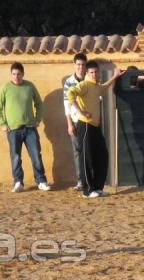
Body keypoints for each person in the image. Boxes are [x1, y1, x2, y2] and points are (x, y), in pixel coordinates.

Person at [66, 60, 124, 198]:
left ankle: (97, 187)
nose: (94, 74)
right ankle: (88, 190)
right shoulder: (84, 85)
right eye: (91, 72)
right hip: (85, 126)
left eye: (96, 72)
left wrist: (115, 76)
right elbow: (70, 94)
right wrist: (81, 111)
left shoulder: (96, 86)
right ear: (87, 73)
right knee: (87, 158)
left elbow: (104, 87)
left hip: (95, 127)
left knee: (102, 156)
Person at [0, 62, 51, 192]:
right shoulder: (5, 88)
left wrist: (37, 119)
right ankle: (18, 182)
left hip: (30, 128)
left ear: (23, 74)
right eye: (14, 74)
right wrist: (3, 124)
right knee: (15, 157)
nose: (16, 76)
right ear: (11, 74)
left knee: (36, 154)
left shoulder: (29, 86)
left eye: (19, 74)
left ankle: (41, 181)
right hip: (13, 129)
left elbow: (39, 104)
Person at [63, 54, 88, 192]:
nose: (80, 67)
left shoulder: (91, 79)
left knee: (89, 150)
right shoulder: (69, 82)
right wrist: (69, 124)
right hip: (75, 120)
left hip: (90, 120)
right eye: (78, 64)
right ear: (74, 65)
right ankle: (80, 181)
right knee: (78, 151)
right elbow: (66, 104)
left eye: (83, 65)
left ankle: (89, 179)